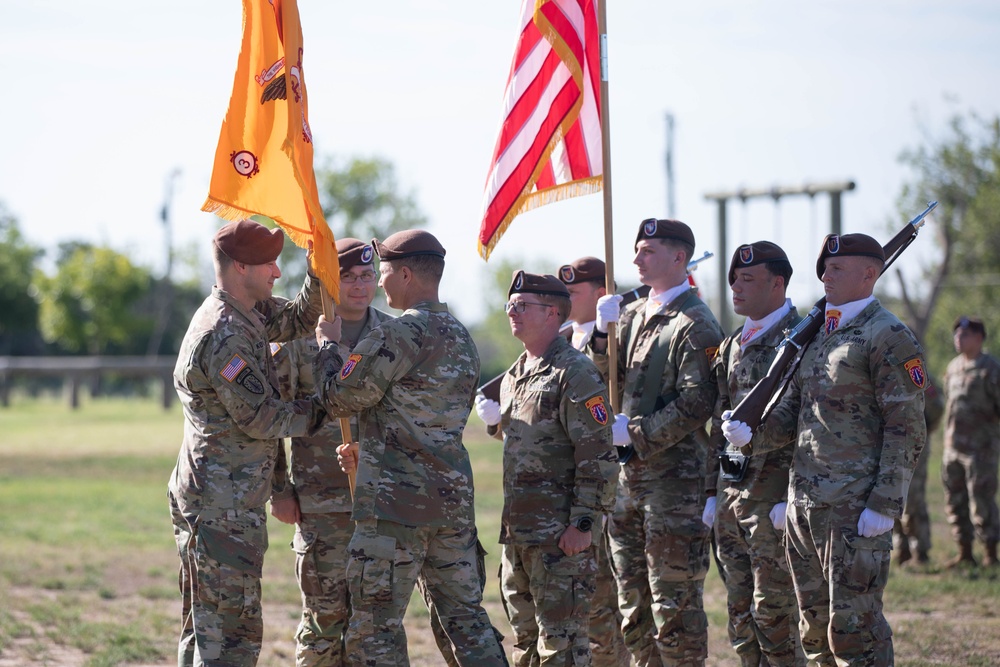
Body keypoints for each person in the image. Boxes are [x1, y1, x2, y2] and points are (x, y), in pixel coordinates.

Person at [722, 232, 927, 665]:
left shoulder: (887, 335)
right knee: (814, 635)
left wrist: (885, 503)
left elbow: (906, 427)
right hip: (804, 505)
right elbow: (792, 415)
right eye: (824, 268)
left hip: (852, 508)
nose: (824, 276)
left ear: (870, 274)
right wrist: (750, 435)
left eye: (836, 269)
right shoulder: (818, 335)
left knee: (856, 634)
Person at [313, 230, 507, 667]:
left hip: (395, 509)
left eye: (382, 274)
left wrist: (328, 344)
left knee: (374, 630)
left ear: (404, 274)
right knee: (467, 621)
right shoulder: (462, 336)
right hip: (451, 504)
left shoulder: (401, 333)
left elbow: (340, 395)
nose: (379, 284)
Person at [168, 219, 328, 667]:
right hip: (220, 505)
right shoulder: (225, 333)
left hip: (226, 498)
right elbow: (263, 417)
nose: (277, 272)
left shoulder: (248, 312)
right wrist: (333, 403)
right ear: (241, 267)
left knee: (208, 628)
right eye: (269, 264)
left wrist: (319, 262)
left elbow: (300, 317)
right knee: (229, 636)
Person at [591, 218, 723, 666]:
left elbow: (698, 401)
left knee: (675, 606)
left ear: (679, 258)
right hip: (629, 482)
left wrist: (637, 434)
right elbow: (606, 377)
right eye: (637, 251)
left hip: (674, 485)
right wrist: (598, 335)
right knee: (634, 608)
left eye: (648, 251)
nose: (636, 260)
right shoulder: (632, 315)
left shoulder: (695, 323)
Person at [473, 271, 618, 666]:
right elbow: (529, 442)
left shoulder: (574, 372)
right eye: (510, 306)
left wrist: (583, 523)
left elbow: (599, 454)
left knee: (563, 647)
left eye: (523, 306)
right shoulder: (515, 373)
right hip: (519, 534)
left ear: (554, 313)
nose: (512, 313)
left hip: (560, 536)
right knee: (526, 646)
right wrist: (495, 424)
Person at [270, 238, 393, 666]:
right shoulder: (301, 342)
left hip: (381, 503)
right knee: (324, 621)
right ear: (328, 283)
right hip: (320, 504)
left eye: (366, 276)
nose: (359, 286)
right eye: (347, 278)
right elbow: (273, 421)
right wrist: (280, 490)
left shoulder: (393, 336)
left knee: (374, 625)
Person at [707, 241, 804, 666]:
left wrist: (793, 497)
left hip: (775, 500)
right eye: (734, 280)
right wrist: (712, 492)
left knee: (776, 617)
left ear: (778, 283)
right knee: (740, 617)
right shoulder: (732, 344)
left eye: (748, 279)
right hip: (733, 500)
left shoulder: (802, 342)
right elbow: (717, 422)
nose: (737, 288)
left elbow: (804, 419)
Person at [555, 256, 630, 667]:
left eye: (573, 293)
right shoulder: (561, 338)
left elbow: (608, 380)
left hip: (602, 486)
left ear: (600, 294)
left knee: (604, 605)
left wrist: (603, 333)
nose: (565, 300)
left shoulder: (616, 333)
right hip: (561, 486)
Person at [941, 315, 1000, 568]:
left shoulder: (990, 368)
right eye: (956, 334)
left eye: (964, 334)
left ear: (978, 338)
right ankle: (964, 552)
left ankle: (990, 554)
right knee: (955, 500)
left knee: (982, 500)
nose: (958, 338)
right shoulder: (953, 367)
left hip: (981, 449)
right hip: (953, 448)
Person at [893, 372, 944, 566]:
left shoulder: (914, 370)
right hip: (887, 444)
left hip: (914, 445)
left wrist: (921, 430)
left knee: (912, 497)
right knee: (890, 495)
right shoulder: (876, 366)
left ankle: (919, 550)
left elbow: (936, 406)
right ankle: (902, 548)